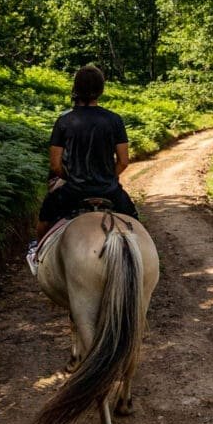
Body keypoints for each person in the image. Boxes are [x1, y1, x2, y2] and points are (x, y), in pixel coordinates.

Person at [26, 65, 138, 275]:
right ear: (101, 90)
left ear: (75, 89)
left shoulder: (64, 121)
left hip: (74, 191)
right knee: (135, 222)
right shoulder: (114, 120)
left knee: (44, 219)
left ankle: (37, 256)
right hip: (108, 190)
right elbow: (123, 161)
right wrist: (107, 177)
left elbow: (55, 165)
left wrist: (69, 177)